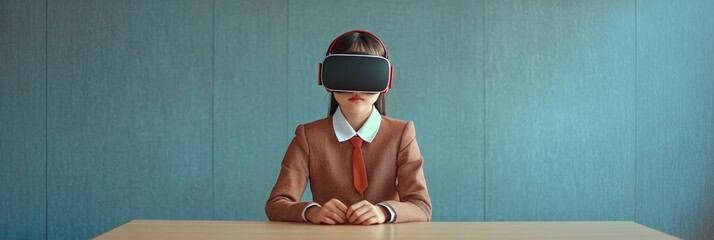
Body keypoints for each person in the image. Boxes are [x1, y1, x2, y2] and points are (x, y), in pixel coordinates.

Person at [265, 30, 431, 225]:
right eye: (346, 73)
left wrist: (384, 212)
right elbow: (277, 204)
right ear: (325, 76)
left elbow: (421, 206)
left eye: (367, 74)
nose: (356, 89)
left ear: (387, 79)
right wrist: (312, 212)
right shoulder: (308, 136)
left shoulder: (401, 134)